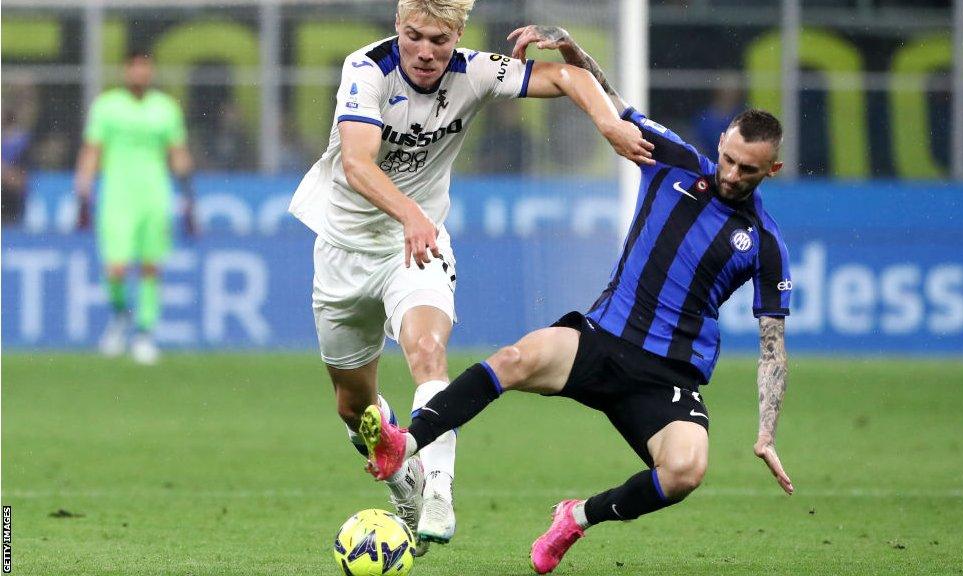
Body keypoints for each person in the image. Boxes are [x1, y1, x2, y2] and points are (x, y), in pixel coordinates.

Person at [357, 25, 795, 574]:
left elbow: (773, 346)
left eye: (746, 169)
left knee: (685, 471)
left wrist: (766, 433)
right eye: (727, 158)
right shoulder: (677, 162)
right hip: (601, 339)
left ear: (771, 171)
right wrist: (569, 49)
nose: (730, 174)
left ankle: (577, 518)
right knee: (514, 359)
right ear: (721, 144)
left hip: (668, 376)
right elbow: (610, 101)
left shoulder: (766, 244)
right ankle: (406, 444)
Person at [287, 0, 654, 556]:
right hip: (343, 251)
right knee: (353, 409)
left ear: (457, 35)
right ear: (397, 28)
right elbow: (359, 165)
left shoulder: (477, 70)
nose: (426, 51)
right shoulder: (366, 70)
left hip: (416, 246)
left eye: (439, 39)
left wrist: (608, 125)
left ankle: (438, 490)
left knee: (428, 350)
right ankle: (402, 484)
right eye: (414, 36)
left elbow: (569, 75)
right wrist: (409, 212)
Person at [74, 51, 196, 365]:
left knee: (151, 265)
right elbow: (92, 149)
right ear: (126, 70)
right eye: (136, 67)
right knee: (115, 266)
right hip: (117, 194)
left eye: (146, 67)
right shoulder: (107, 105)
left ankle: (144, 332)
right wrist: (83, 192)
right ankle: (120, 316)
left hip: (155, 194)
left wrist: (188, 199)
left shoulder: (165, 108)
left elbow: (178, 154)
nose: (141, 73)